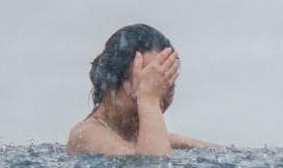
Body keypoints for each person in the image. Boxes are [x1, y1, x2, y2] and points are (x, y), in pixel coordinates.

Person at [67, 24, 218, 156]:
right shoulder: (86, 135)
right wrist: (148, 99)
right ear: (111, 83)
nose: (159, 100)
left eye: (164, 86)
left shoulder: (143, 138)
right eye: (144, 85)